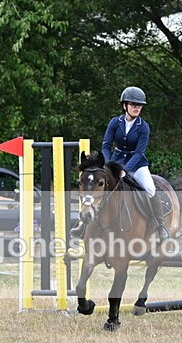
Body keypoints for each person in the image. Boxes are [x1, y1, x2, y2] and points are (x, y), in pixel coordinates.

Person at [70, 86, 169, 240]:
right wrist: (107, 165)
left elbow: (139, 152)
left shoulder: (144, 127)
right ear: (125, 106)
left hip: (137, 165)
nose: (137, 108)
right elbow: (106, 146)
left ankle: (160, 225)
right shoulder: (115, 122)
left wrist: (125, 170)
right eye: (133, 105)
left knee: (150, 189)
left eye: (139, 105)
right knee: (98, 189)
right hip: (115, 161)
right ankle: (83, 225)